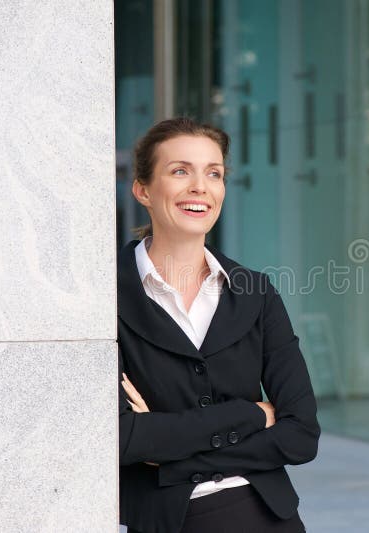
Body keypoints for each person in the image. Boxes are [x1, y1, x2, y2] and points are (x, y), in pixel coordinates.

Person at [117, 117, 320, 532]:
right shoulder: (105, 297)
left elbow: (301, 435)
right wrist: (253, 415)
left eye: (214, 173)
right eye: (180, 171)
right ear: (143, 190)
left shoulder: (255, 292)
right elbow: (124, 439)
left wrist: (170, 450)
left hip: (268, 516)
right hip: (170, 521)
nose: (200, 187)